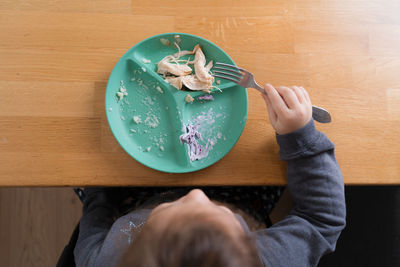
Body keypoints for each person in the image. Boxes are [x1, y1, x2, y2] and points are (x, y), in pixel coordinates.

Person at [73, 84, 346, 267]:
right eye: (224, 215)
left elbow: (96, 219)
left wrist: (101, 172)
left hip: (131, 199)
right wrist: (300, 137)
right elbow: (322, 220)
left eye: (171, 208)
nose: (197, 194)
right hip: (244, 197)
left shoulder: (102, 260)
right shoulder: (267, 259)